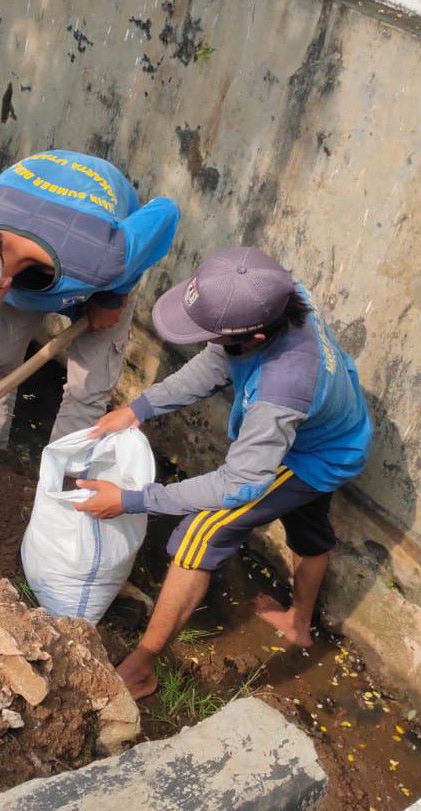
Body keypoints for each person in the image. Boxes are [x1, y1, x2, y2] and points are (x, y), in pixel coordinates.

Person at [74, 247, 373, 699]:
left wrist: (133, 500)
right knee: (309, 529)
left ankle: (141, 668)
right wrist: (139, 409)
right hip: (338, 427)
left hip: (314, 454)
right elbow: (216, 362)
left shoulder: (282, 386)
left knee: (202, 532)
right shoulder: (274, 293)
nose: (207, 341)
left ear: (253, 338)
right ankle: (299, 625)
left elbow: (240, 482)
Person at [0, 151, 180, 448]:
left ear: (4, 286)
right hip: (32, 205)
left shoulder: (100, 258)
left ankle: (62, 479)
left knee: (87, 390)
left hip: (91, 246)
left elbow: (165, 211)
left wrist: (113, 295)